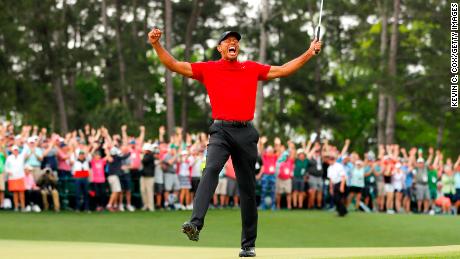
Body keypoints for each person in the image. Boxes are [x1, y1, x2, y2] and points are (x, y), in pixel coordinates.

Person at [148, 27, 321, 257]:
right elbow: (175, 64)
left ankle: (248, 245)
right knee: (210, 169)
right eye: (228, 41)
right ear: (220, 47)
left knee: (248, 188)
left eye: (236, 41)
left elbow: (282, 70)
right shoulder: (209, 68)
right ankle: (195, 224)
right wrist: (156, 44)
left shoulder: (250, 68)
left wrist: (309, 52)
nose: (233, 43)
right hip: (220, 130)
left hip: (246, 132)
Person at [5, 145, 26, 211]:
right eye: (14, 150)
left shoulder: (21, 157)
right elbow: (6, 167)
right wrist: (9, 172)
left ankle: (23, 207)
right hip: (12, 177)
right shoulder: (9, 158)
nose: (16, 151)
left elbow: (25, 149)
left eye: (16, 150)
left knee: (21, 193)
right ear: (12, 151)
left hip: (20, 177)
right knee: (15, 193)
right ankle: (16, 206)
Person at [327, 151, 347, 217]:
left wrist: (342, 186)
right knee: (335, 199)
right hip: (335, 184)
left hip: (340, 183)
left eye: (332, 159)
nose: (331, 161)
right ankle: (342, 211)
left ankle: (342, 212)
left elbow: (343, 177)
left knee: (338, 199)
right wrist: (331, 188)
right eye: (330, 159)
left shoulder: (339, 166)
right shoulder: (329, 168)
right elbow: (330, 179)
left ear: (334, 159)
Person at [140, 143, 155, 211]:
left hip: (149, 176)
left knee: (149, 191)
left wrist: (141, 156)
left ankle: (151, 206)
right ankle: (146, 205)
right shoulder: (146, 155)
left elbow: (144, 161)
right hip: (143, 176)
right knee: (143, 191)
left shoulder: (150, 155)